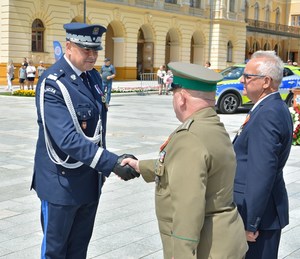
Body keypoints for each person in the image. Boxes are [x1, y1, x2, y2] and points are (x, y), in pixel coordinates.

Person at [31, 22, 139, 259]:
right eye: (85, 50)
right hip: (62, 183)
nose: (92, 56)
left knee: (79, 250)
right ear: (68, 47)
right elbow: (67, 139)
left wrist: (108, 164)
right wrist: (111, 163)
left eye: (95, 50)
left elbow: (97, 130)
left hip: (89, 180)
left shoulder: (92, 78)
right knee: (56, 251)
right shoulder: (53, 83)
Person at [122, 62, 248, 259]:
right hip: (224, 239)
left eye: (174, 94)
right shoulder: (211, 126)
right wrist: (140, 166)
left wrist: (181, 253)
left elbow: (189, 204)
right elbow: (190, 167)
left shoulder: (189, 137)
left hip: (206, 248)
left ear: (181, 98)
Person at [233, 50, 293, 259]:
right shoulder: (270, 107)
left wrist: (250, 222)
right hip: (263, 213)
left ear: (266, 81)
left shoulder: (268, 113)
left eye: (248, 76)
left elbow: (262, 172)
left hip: (259, 218)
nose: (242, 80)